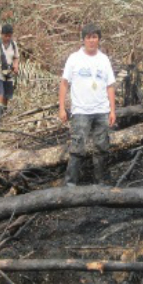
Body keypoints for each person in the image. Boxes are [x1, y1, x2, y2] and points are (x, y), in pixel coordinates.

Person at [59, 23, 116, 186]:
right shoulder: (74, 58)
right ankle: (70, 185)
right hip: (81, 111)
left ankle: (101, 183)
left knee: (102, 147)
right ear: (83, 40)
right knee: (77, 148)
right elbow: (64, 83)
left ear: (99, 39)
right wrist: (62, 108)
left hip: (101, 110)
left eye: (95, 37)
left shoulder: (104, 60)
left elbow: (110, 86)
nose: (92, 41)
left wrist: (112, 110)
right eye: (88, 37)